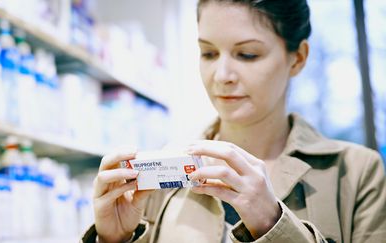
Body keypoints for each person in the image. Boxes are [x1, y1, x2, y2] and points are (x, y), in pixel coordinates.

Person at [81, 0, 386, 242]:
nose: (222, 76)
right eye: (209, 53)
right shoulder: (161, 174)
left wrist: (272, 224)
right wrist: (114, 238)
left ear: (298, 58)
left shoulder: (357, 173)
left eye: (247, 54)